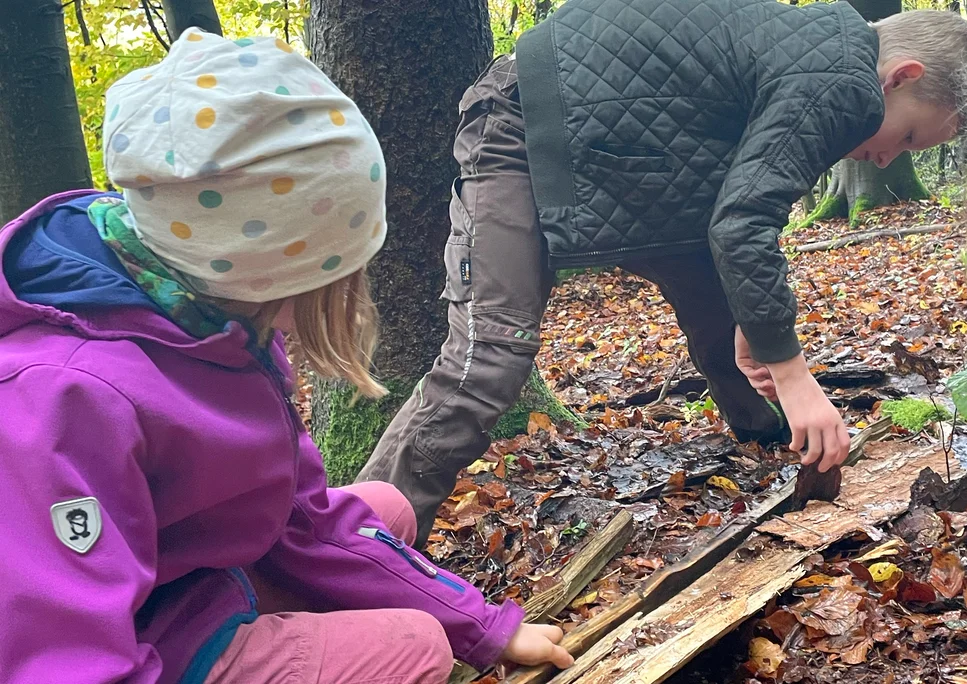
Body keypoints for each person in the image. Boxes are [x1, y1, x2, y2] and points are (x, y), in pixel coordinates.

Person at [0, 30, 573, 683]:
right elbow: (59, 658)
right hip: (139, 641)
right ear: (263, 269)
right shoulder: (60, 396)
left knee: (386, 506)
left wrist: (482, 623)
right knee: (415, 648)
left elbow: (300, 517)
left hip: (190, 586)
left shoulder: (211, 318)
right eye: (322, 287)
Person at [359, 0, 967, 542]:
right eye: (909, 136)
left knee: (723, 309)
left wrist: (762, 332)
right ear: (901, 76)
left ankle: (770, 444)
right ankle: (360, 542)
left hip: (626, 153)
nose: (888, 159)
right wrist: (794, 376)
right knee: (490, 354)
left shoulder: (816, 54)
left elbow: (737, 217)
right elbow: (742, 223)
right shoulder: (843, 78)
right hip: (526, 122)